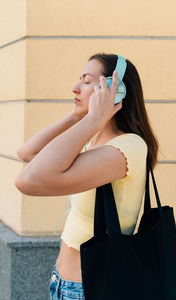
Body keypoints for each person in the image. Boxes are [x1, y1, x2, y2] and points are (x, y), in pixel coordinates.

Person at [15, 53, 159, 299]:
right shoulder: (92, 143)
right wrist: (76, 117)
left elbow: (28, 180)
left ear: (117, 91)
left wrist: (94, 118)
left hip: (89, 290)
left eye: (87, 80)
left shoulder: (128, 147)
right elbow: (27, 153)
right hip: (62, 282)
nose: (75, 87)